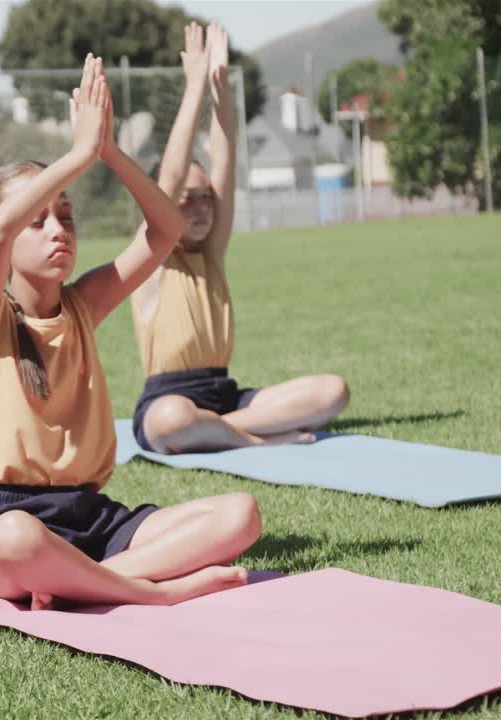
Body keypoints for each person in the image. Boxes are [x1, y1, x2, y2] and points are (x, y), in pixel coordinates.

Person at [0, 55, 261, 612]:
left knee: (240, 515)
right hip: (10, 519)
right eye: (39, 219)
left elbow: (165, 229)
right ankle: (153, 591)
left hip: (93, 517)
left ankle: (92, 580)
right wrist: (77, 155)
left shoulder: (83, 304)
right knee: (15, 541)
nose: (58, 231)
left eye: (65, 216)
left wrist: (109, 152)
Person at [131, 22, 350, 455]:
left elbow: (225, 167)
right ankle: (254, 437)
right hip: (168, 399)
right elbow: (170, 176)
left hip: (225, 395)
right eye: (185, 200)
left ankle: (220, 430)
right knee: (170, 420)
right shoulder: (152, 258)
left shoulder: (211, 251)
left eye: (205, 199)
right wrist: (193, 87)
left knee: (333, 392)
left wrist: (221, 91)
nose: (200, 208)